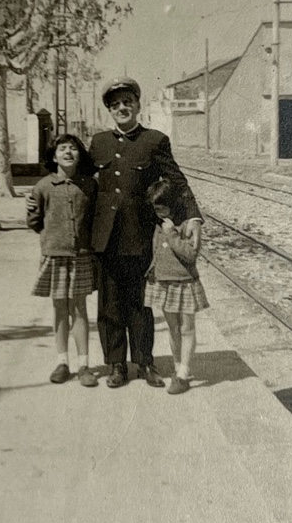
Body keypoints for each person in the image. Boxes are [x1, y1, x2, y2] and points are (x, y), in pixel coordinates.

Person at [89, 77, 203, 389]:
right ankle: (116, 365)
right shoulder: (98, 142)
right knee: (110, 306)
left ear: (138, 105)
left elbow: (176, 181)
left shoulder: (154, 140)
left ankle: (145, 363)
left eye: (127, 102)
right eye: (115, 105)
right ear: (110, 111)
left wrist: (192, 216)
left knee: (141, 304)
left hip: (140, 236)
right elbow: (86, 186)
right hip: (106, 239)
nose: (122, 108)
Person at [26, 134, 99, 387]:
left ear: (80, 155)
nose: (68, 153)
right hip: (55, 255)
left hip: (81, 256)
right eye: (62, 149)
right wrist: (53, 237)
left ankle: (84, 365)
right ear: (54, 156)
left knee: (79, 308)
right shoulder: (43, 186)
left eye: (73, 149)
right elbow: (34, 221)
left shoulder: (89, 185)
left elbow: (94, 219)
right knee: (59, 308)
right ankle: (62, 362)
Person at [144, 178, 209, 394]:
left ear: (173, 204)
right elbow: (157, 251)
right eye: (156, 209)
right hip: (164, 282)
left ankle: (183, 373)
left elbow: (190, 255)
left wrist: (171, 233)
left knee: (187, 328)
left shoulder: (186, 226)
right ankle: (178, 367)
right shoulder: (159, 223)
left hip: (184, 283)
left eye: (162, 208)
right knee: (173, 328)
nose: (159, 212)